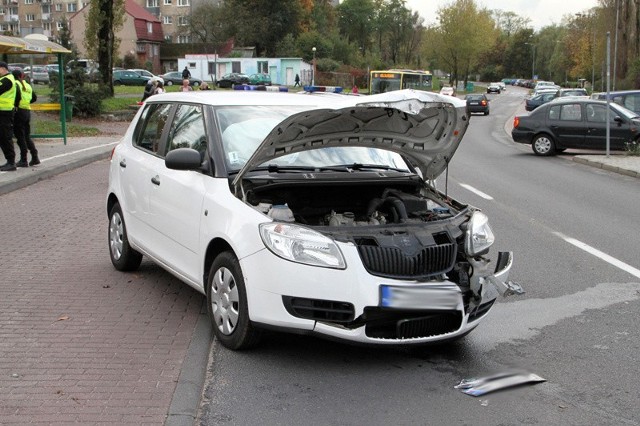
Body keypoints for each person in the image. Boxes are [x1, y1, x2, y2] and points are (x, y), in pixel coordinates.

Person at [11, 70, 39, 167]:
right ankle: (35, 156)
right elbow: (34, 98)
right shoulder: (27, 85)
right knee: (26, 136)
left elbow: (16, 97)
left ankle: (23, 160)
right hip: (27, 111)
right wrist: (26, 102)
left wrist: (17, 105)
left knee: (20, 137)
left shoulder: (15, 84)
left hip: (19, 112)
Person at [0, 61, 19, 171]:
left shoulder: (7, 80)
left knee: (5, 136)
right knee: (2, 137)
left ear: (3, 68)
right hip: (3, 112)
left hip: (5, 112)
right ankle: (9, 161)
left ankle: (11, 162)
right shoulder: (4, 79)